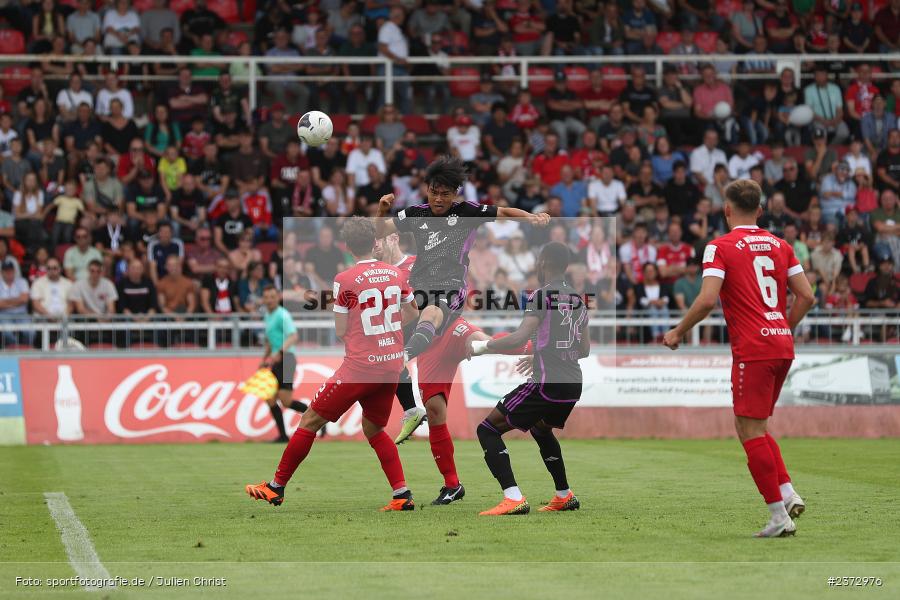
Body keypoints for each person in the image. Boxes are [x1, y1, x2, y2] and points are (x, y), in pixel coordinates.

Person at [663, 179, 817, 537]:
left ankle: (779, 516)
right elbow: (807, 296)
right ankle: (787, 492)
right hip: (781, 345)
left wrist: (677, 331)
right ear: (760, 210)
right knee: (755, 425)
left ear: (726, 209)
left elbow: (705, 300)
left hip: (754, 348)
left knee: (749, 429)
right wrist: (783, 326)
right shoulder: (782, 245)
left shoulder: (719, 247)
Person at [246, 218, 419, 510]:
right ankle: (401, 495)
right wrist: (387, 331)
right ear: (375, 243)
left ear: (348, 247)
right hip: (391, 365)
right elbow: (413, 314)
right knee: (374, 429)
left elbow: (340, 329)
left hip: (360, 367)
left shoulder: (345, 280)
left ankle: (276, 487)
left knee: (309, 420)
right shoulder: (396, 274)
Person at [375, 156, 550, 359]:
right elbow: (380, 231)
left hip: (450, 285)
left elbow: (503, 211)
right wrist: (381, 211)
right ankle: (395, 364)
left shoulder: (467, 211)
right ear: (427, 190)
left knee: (431, 314)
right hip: (417, 283)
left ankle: (404, 356)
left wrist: (530, 217)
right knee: (395, 327)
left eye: (445, 194)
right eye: (434, 193)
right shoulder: (416, 213)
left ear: (455, 193)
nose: (438, 199)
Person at [468, 242, 589, 515]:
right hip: (573, 384)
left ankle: (513, 498)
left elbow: (520, 336)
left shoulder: (541, 295)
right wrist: (540, 354)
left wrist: (481, 347)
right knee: (540, 429)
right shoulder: (579, 300)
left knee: (487, 429)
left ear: (543, 261)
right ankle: (564, 494)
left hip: (547, 383)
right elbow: (584, 349)